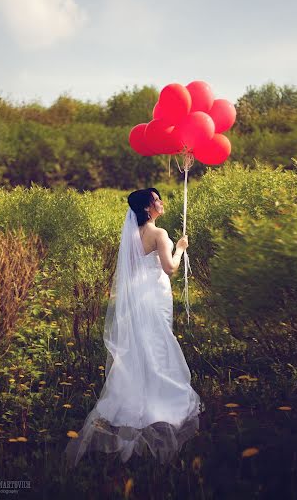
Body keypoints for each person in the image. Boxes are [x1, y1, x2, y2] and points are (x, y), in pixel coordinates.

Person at [65, 188, 201, 467]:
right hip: (156, 298)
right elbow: (169, 268)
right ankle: (161, 401)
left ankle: (135, 397)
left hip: (137, 299)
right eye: (156, 200)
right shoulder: (160, 234)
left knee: (141, 345)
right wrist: (181, 249)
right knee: (158, 344)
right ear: (148, 208)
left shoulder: (129, 236)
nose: (161, 203)